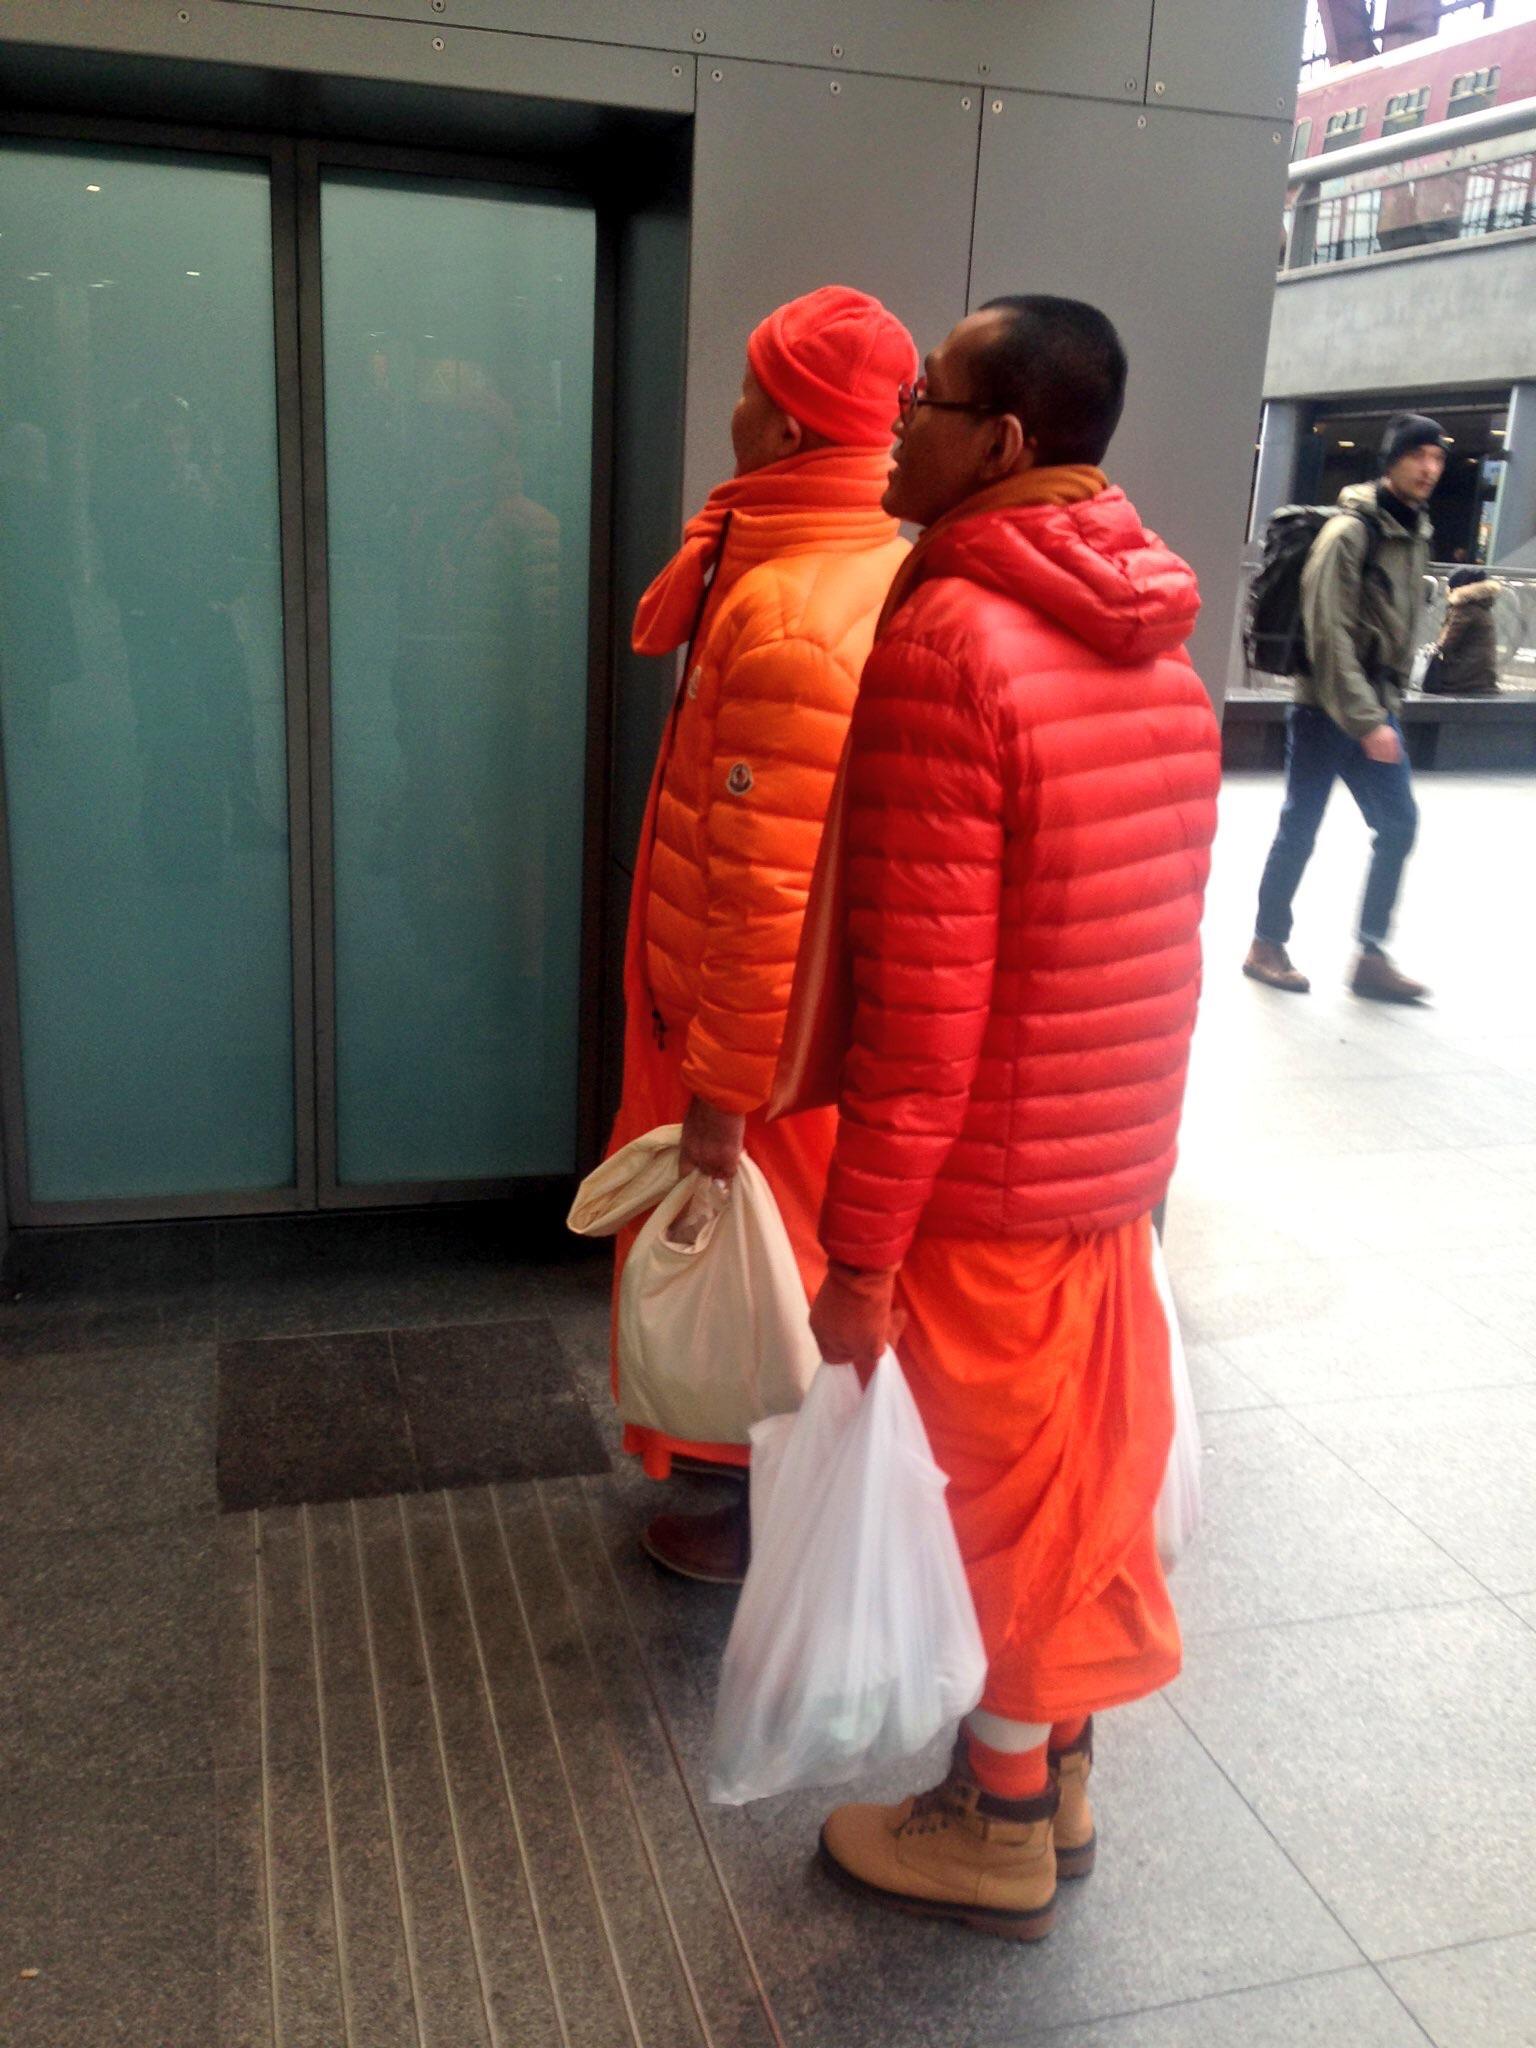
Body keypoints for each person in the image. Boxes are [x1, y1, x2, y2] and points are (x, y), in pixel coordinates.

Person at [799, 296, 1220, 1941]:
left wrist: (861, 1244)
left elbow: (923, 1004)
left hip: (984, 1175)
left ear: (1005, 444)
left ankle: (996, 1816)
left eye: (929, 398)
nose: (899, 422)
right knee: (1082, 1480)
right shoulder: (1156, 635)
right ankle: (1069, 1764)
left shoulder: (949, 642)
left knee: (995, 1509)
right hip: (1109, 1162)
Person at [609, 286, 915, 1583]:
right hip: (774, 1031)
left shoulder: (793, 608)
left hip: (754, 1043)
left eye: (746, 386)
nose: (727, 409)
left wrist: (722, 1098)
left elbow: (770, 893)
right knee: (770, 1261)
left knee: (753, 1266)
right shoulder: (824, 560)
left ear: (785, 425)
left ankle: (757, 1517)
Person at [1244, 412, 1446, 1003]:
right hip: (1324, 709)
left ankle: (1371, 955)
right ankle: (1265, 944)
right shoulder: (1349, 533)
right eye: (1419, 456)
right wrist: (1366, 720)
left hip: (1373, 708)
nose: (1430, 468)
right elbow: (1327, 634)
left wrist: (1384, 711)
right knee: (1300, 828)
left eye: (1437, 458)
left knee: (1399, 824)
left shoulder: (1413, 532)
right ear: (1391, 461)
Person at [1425, 564, 1501, 696]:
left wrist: (1431, 651)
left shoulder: (1464, 608)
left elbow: (1448, 641)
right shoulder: (1481, 606)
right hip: (1483, 674)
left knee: (1424, 678)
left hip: (1465, 674)